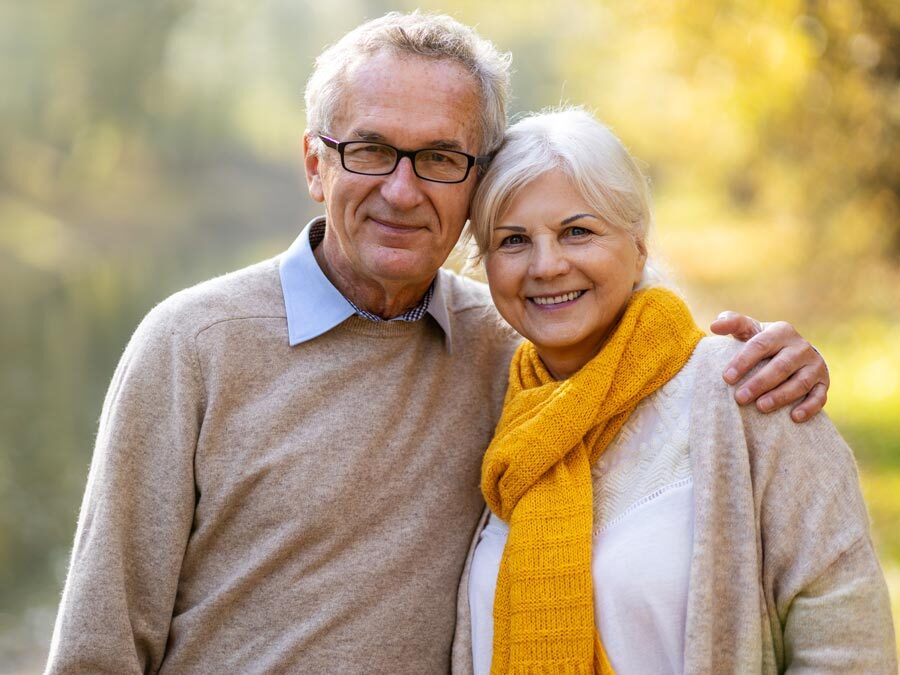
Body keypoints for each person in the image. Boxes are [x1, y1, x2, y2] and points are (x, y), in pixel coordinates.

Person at [47, 13, 832, 674]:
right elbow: (99, 643)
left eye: (438, 158)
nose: (401, 188)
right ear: (317, 164)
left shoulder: (511, 344)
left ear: (476, 183)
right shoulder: (193, 345)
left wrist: (773, 358)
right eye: (371, 149)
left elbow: (640, 354)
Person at [454, 107, 896, 674]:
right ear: (485, 264)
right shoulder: (499, 408)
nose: (546, 265)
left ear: (638, 245)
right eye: (513, 240)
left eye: (578, 231)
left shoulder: (748, 390)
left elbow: (846, 640)